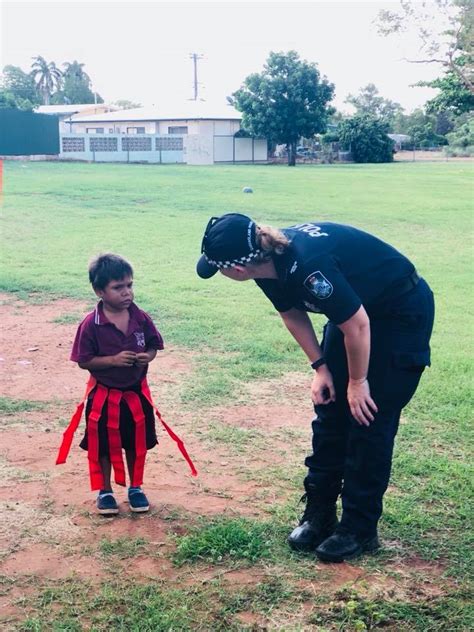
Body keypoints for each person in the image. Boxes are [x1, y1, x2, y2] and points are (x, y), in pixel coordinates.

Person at [196, 213, 434, 562]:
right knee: (330, 410)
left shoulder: (308, 267)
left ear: (237, 269)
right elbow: (291, 313)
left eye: (219, 268)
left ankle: (359, 528)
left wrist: (357, 381)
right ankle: (319, 515)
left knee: (368, 416)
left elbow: (358, 326)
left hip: (398, 313)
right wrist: (321, 367)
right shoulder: (266, 264)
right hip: (357, 313)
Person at [56, 254, 197, 516]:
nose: (126, 293)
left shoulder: (140, 317)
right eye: (118, 287)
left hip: (136, 395)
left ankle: (136, 487)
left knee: (136, 443)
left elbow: (154, 345)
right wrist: (113, 360)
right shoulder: (91, 324)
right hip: (103, 398)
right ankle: (105, 491)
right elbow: (84, 361)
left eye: (129, 285)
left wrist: (148, 356)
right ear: (99, 291)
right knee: (104, 445)